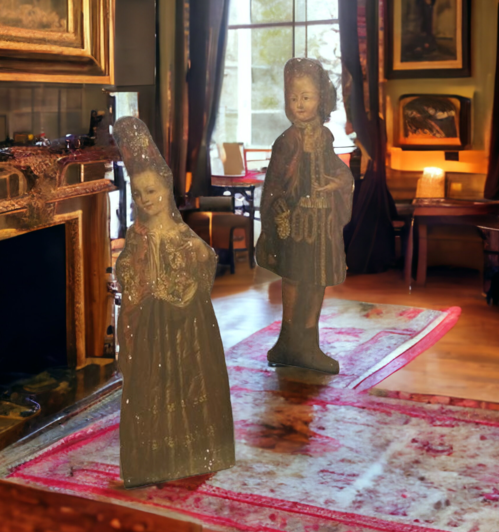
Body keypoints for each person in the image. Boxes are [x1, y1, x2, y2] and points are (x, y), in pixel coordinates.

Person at [113, 116, 235, 488]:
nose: (145, 199)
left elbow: (205, 257)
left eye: (151, 191)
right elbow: (127, 269)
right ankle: (156, 454)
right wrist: (134, 273)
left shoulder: (179, 232)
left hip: (186, 323)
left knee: (185, 379)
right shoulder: (137, 233)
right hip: (151, 321)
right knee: (153, 383)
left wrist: (184, 279)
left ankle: (188, 449)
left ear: (166, 189)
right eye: (137, 194)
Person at [256, 58, 354, 374]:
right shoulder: (286, 141)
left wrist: (339, 182)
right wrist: (278, 211)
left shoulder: (324, 137)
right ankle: (288, 341)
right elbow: (273, 184)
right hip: (296, 225)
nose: (299, 104)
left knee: (317, 281)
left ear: (321, 99)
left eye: (306, 97)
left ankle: (309, 342)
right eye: (293, 97)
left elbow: (337, 170)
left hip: (321, 224)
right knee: (295, 278)